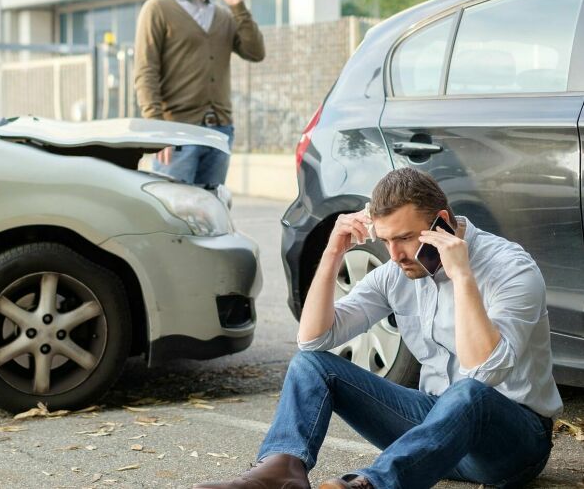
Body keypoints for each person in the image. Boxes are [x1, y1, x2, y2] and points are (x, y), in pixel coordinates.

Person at [196, 167, 562, 489]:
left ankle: (374, 484)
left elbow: (485, 370)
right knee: (311, 365)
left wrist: (461, 276)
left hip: (509, 444)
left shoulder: (510, 268)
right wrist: (332, 253)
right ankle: (280, 470)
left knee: (469, 393)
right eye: (385, 240)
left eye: (404, 238)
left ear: (443, 223)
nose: (395, 253)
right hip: (433, 432)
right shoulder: (396, 273)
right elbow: (313, 338)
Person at [133, 0, 265, 187]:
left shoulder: (224, 16)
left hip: (220, 132)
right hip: (177, 132)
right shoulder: (158, 8)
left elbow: (255, 52)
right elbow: (145, 72)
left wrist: (237, 6)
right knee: (172, 215)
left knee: (208, 216)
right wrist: (158, 130)